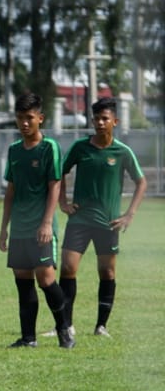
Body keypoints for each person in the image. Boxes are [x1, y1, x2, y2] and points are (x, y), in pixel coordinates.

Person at [57, 96, 146, 338]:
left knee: (107, 273)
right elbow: (59, 173)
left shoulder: (122, 151)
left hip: (108, 223)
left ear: (114, 121)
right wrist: (62, 202)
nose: (99, 122)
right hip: (79, 221)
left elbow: (141, 182)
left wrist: (129, 215)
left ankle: (101, 326)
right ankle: (66, 325)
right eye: (96, 118)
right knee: (67, 267)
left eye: (104, 118)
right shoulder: (80, 147)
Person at [0, 93, 72, 349]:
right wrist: (3, 228)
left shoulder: (49, 147)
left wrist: (47, 222)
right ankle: (28, 338)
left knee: (46, 279)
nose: (24, 123)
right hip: (19, 227)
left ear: (40, 118)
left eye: (29, 118)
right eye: (20, 118)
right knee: (23, 280)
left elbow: (55, 185)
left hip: (42, 227)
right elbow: (11, 190)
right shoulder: (14, 150)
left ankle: (64, 328)